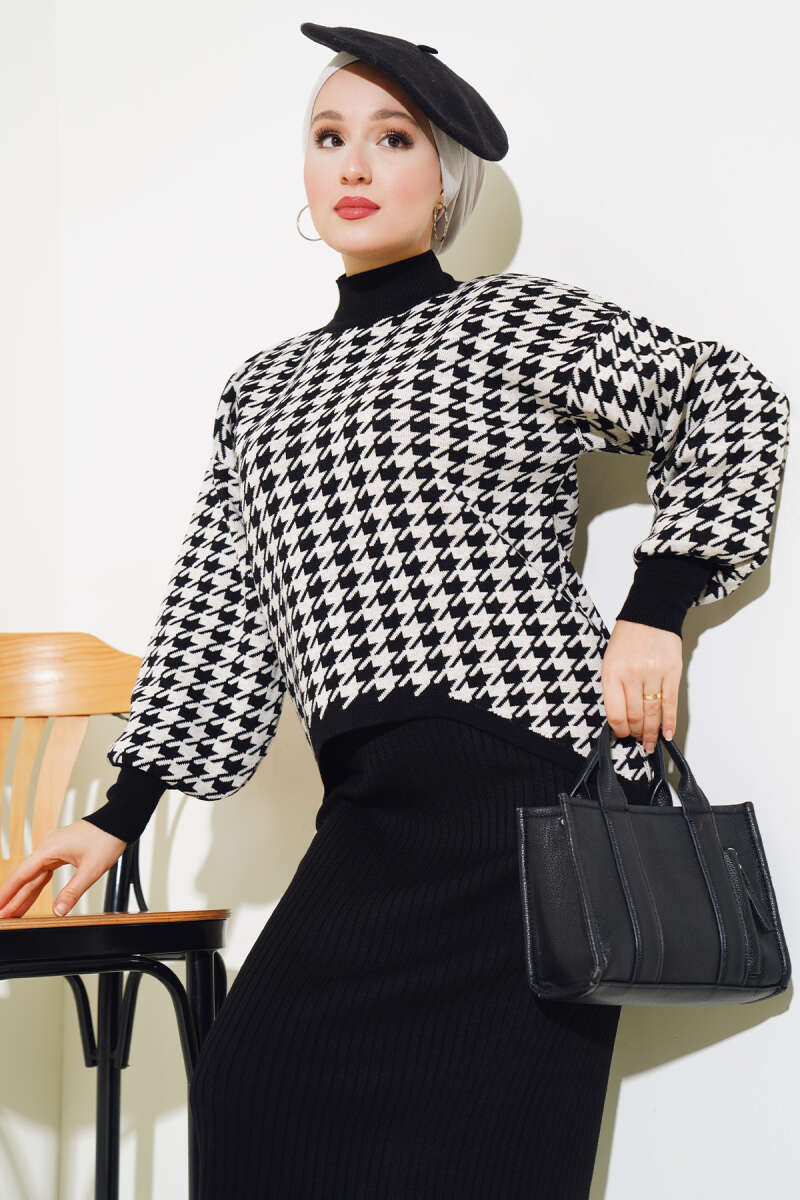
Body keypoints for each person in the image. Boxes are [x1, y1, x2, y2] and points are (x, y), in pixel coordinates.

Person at [0, 23, 790, 1199]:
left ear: (444, 179)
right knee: (250, 1082)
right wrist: (118, 813)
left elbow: (728, 400)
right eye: (329, 138)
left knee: (486, 1152)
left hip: (523, 789)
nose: (355, 165)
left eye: (393, 138)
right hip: (371, 803)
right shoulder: (261, 390)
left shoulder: (513, 322)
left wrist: (654, 608)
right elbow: (221, 597)